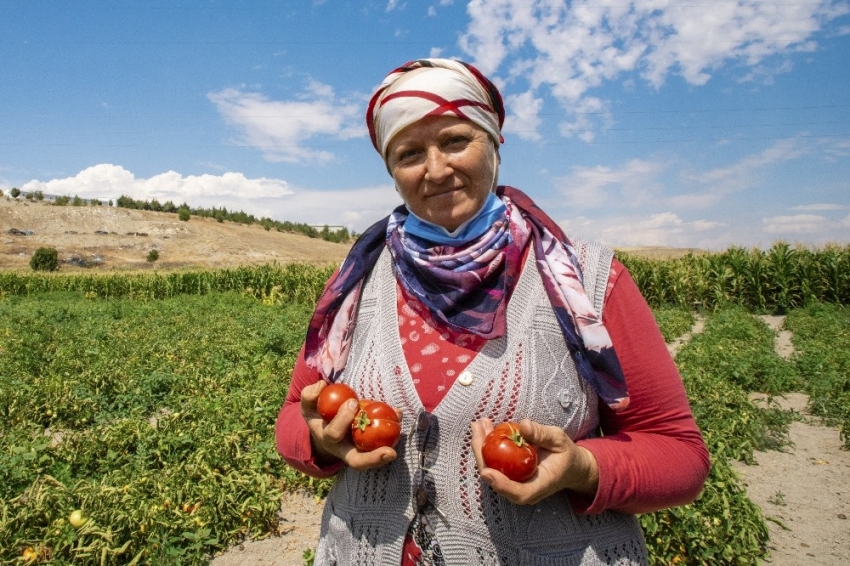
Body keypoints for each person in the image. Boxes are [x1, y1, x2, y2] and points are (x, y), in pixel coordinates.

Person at [276, 58, 710, 566]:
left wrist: (582, 468)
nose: (436, 169)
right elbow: (291, 418)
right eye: (409, 153)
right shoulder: (357, 282)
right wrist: (322, 443)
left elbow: (679, 454)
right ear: (392, 171)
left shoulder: (585, 279)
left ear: (494, 141)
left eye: (457, 141)